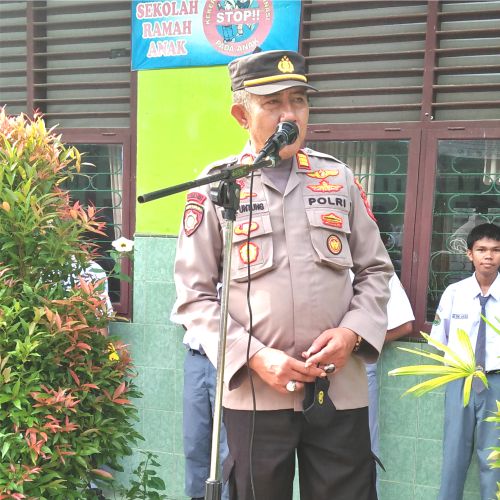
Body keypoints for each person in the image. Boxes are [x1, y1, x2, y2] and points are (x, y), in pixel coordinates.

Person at [171, 49, 393, 500]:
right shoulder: (218, 187)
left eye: (299, 101)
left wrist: (352, 333)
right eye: (273, 103)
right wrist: (253, 356)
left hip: (337, 389)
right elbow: (194, 297)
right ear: (242, 115)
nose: (289, 114)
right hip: (256, 391)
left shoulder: (338, 179)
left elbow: (376, 270)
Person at [430, 222, 500, 500]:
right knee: (454, 455)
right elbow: (439, 340)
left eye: (495, 250)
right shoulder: (454, 293)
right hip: (460, 381)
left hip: (496, 383)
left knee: (493, 458)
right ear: (469, 254)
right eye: (481, 249)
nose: (488, 256)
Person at [365, 273, 414, 458]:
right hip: (318, 367)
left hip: (360, 368)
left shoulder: (378, 270)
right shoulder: (314, 267)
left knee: (365, 444)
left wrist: (358, 345)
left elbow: (404, 325)